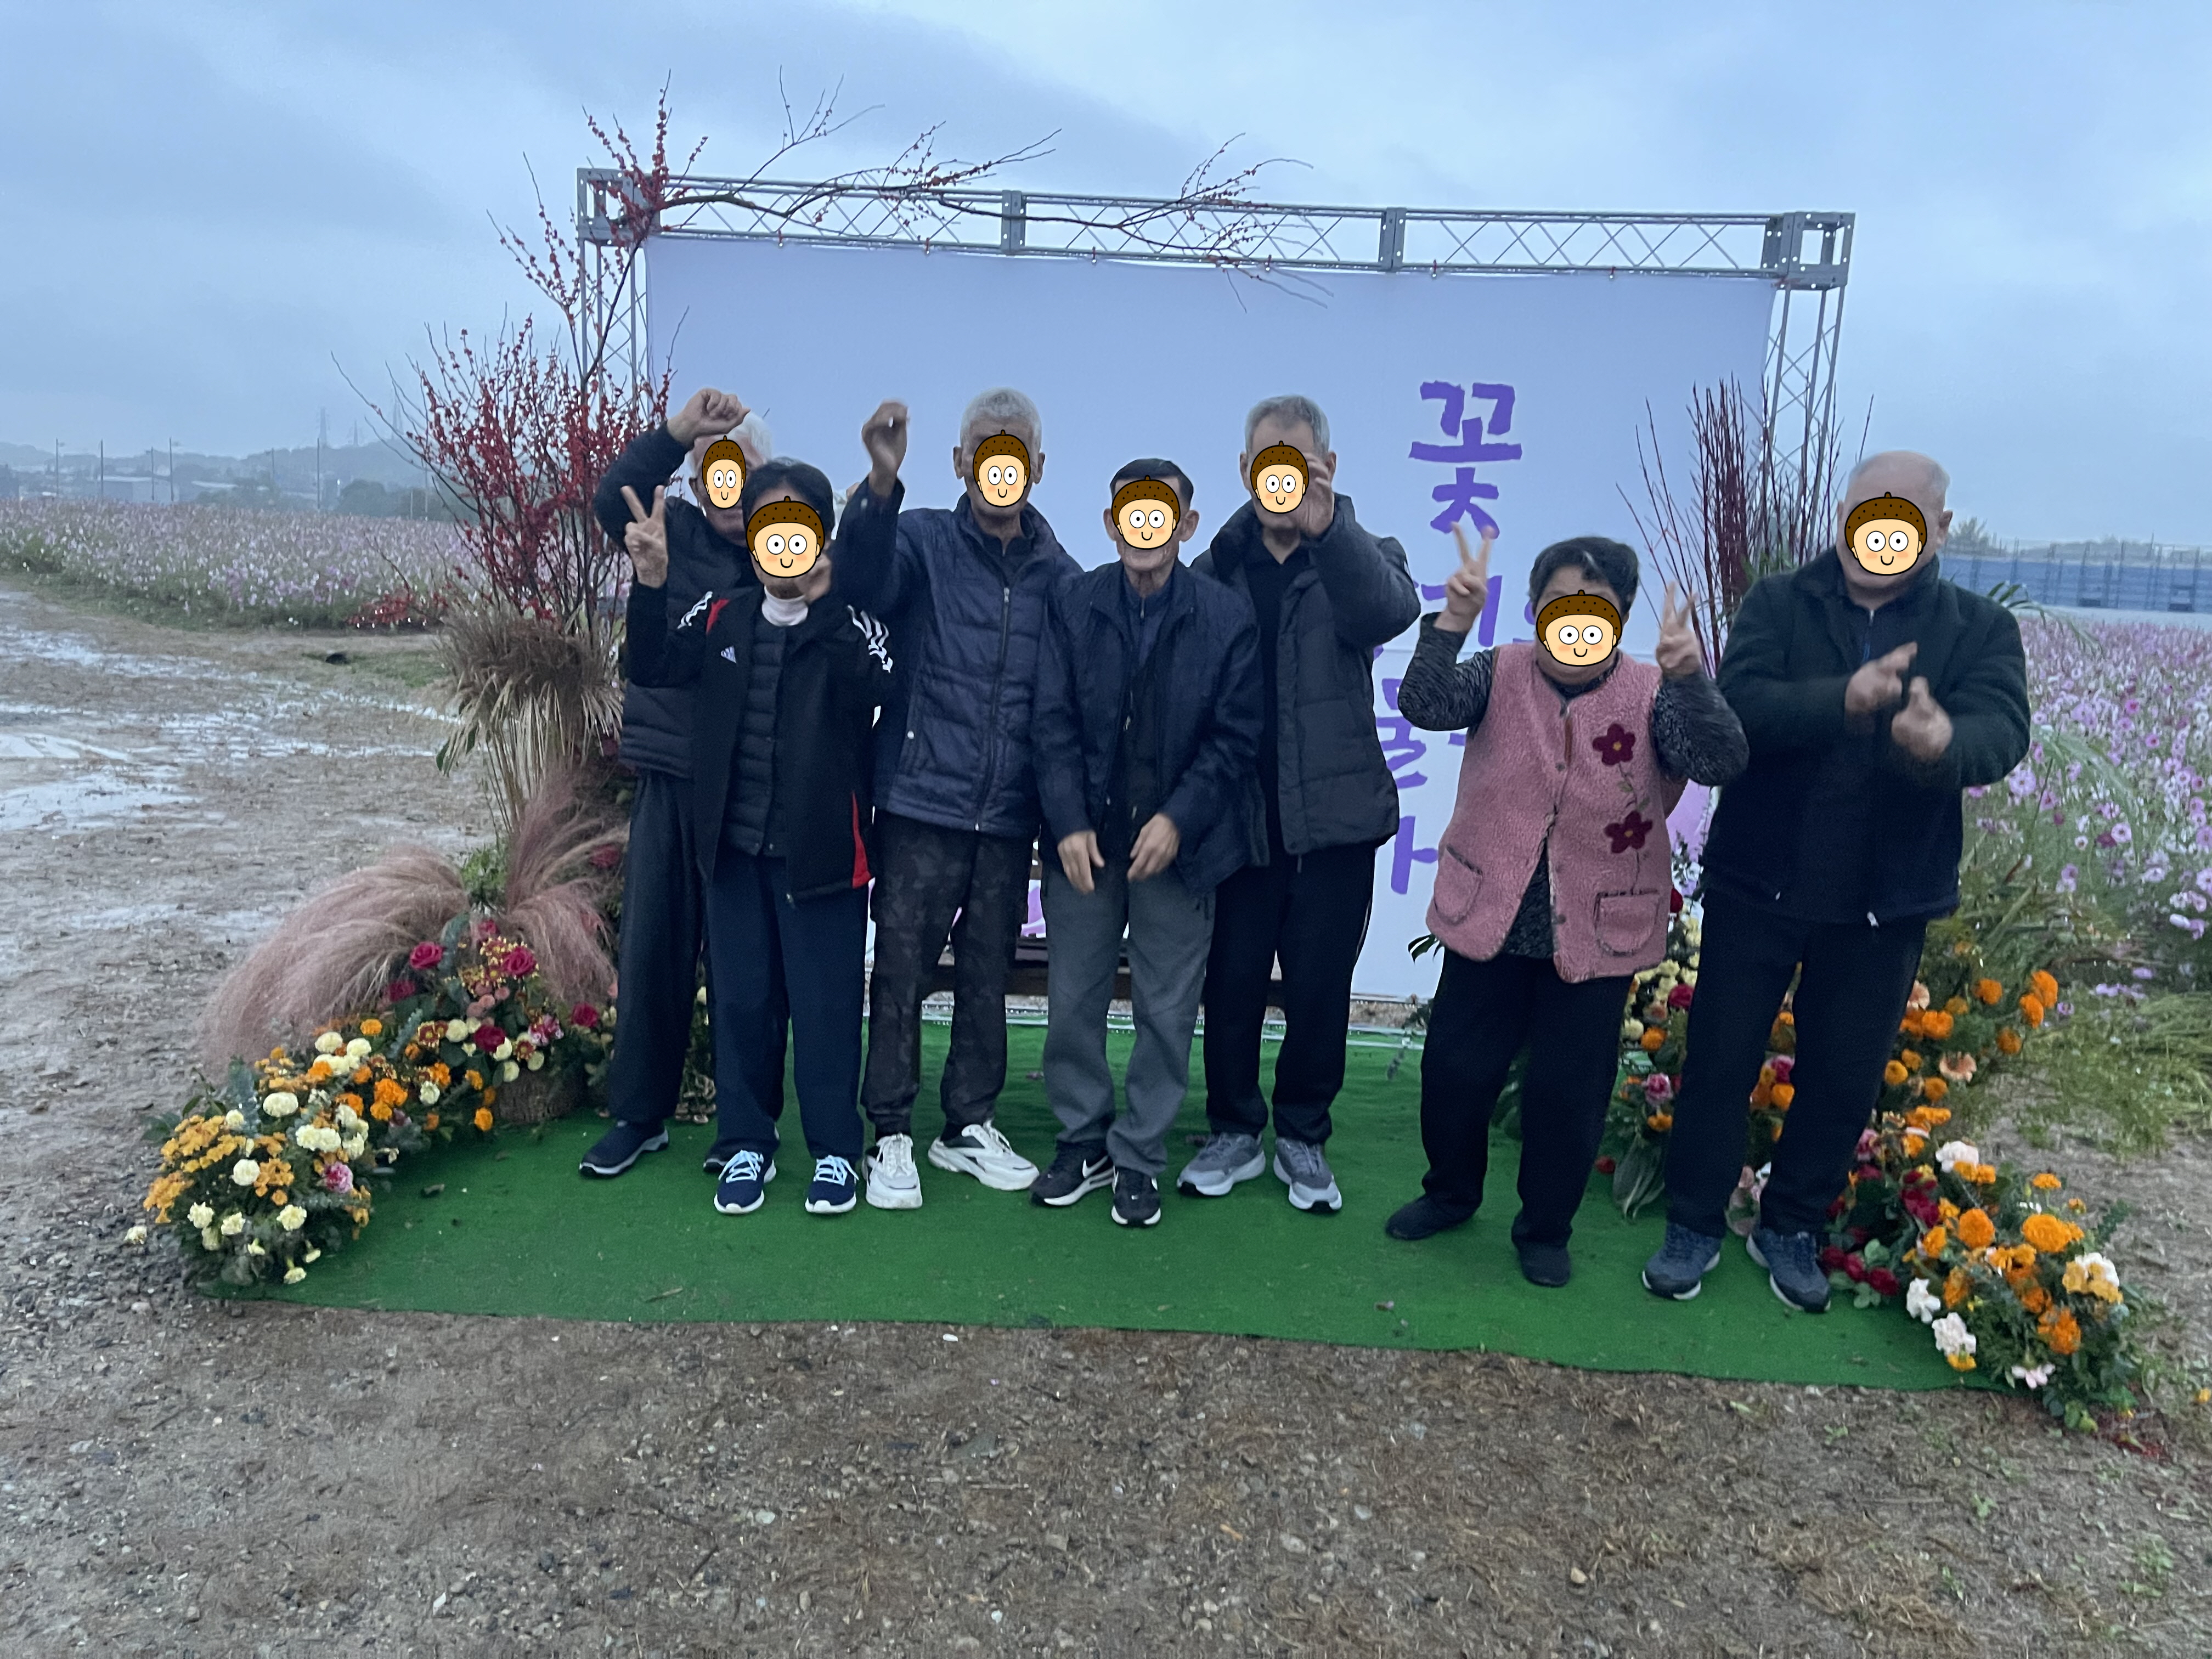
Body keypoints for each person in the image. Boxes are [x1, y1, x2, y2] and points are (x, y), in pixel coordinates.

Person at [1642, 451, 2030, 1311]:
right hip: (1760, 880)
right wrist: (1843, 699)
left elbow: (2002, 730)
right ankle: (1693, 1222)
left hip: (1886, 898)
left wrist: (1943, 743)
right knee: (1720, 1059)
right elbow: (1741, 707)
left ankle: (1791, 1225)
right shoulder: (1780, 602)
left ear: (1939, 530)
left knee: (1842, 1075)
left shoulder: (1977, 629)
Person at [1388, 531, 1747, 1284]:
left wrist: (1690, 678)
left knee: (1568, 1092)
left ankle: (1545, 1229)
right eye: (1560, 603)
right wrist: (1451, 624)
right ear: (1535, 608)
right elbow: (1422, 703)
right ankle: (1450, 1193)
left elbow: (1721, 760)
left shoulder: (1651, 692)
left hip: (1597, 929)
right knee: (1455, 1072)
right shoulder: (1499, 671)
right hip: (1489, 916)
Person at [616, 445, 895, 1217]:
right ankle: (747, 1143)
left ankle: (835, 1152)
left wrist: (826, 607)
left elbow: (877, 682)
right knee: (742, 1005)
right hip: (733, 857)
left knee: (826, 1010)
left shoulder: (850, 625)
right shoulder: (721, 616)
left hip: (825, 861)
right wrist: (650, 581)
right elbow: (652, 665)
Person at [833, 392, 1082, 1209]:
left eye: (1015, 451)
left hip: (1008, 816)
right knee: (900, 975)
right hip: (921, 805)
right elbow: (860, 583)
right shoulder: (922, 541)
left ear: (1037, 467)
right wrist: (880, 484)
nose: (998, 464)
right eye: (983, 448)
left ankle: (968, 1123)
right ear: (960, 461)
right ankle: (890, 1133)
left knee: (985, 978)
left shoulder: (1061, 576)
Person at [1181, 394, 1421, 1214]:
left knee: (1320, 989)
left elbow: (1388, 612)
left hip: (1335, 823)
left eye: (1297, 460)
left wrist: (1328, 528)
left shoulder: (1365, 555)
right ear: (1246, 470)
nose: (1279, 477)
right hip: (1239, 824)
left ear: (1327, 465)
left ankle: (1304, 1135)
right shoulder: (1213, 569)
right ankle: (1233, 1129)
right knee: (1232, 984)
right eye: (1265, 461)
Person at [1029, 460, 1264, 1227]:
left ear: (1187, 526)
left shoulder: (1225, 616)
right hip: (1086, 845)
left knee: (1166, 1011)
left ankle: (1138, 1155)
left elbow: (1235, 738)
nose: (1145, 529)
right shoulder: (1073, 602)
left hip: (1181, 852)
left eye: (1161, 514)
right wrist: (1067, 820)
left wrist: (1179, 819)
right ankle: (1082, 1140)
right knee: (1073, 1001)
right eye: (1131, 513)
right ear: (1111, 524)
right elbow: (1050, 722)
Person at [580, 388, 782, 1180]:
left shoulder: (788, 551)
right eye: (711, 473)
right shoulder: (675, 532)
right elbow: (613, 499)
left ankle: (746, 1128)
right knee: (654, 952)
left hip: (748, 789)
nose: (726, 488)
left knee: (745, 968)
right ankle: (640, 1115)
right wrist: (679, 432)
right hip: (671, 774)